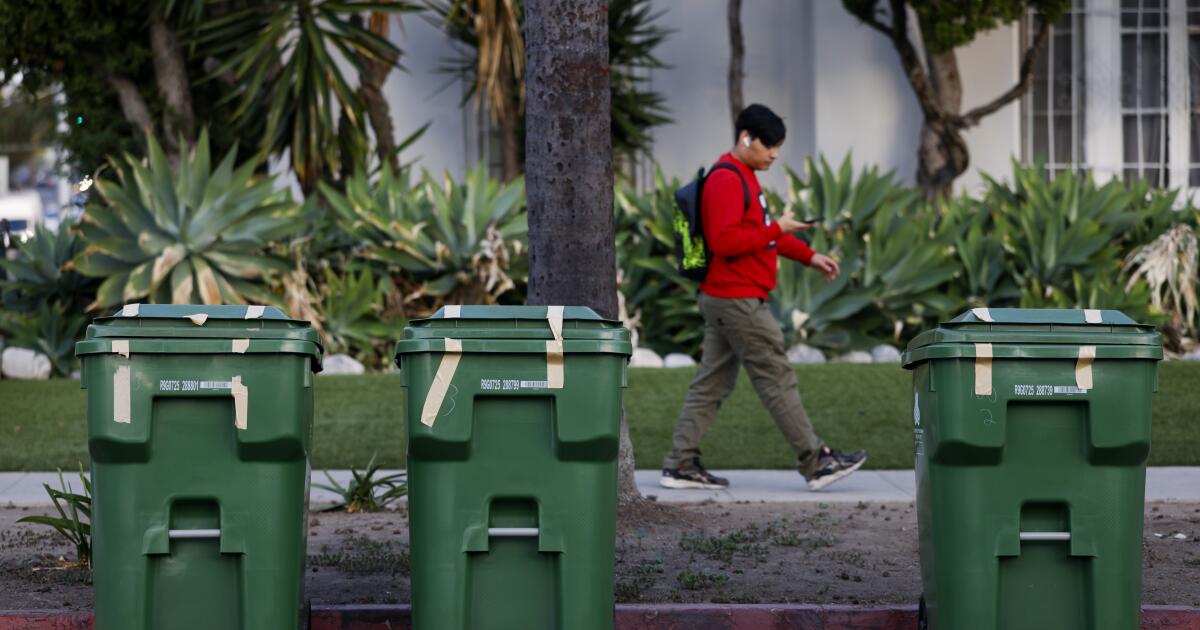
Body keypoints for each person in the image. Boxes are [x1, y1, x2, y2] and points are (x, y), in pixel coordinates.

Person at [660, 104, 867, 492]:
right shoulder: (727, 180)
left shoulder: (747, 177)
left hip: (726, 297)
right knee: (776, 378)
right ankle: (816, 461)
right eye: (768, 145)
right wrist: (775, 228)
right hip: (737, 299)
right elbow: (725, 241)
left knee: (711, 385)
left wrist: (809, 255)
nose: (773, 153)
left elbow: (761, 233)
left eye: (778, 146)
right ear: (745, 138)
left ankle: (680, 464)